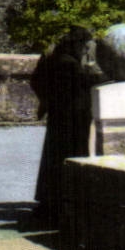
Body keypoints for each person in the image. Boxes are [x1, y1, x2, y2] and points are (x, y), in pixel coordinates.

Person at [29, 25, 106, 228]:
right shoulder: (67, 63)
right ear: (76, 44)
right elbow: (85, 81)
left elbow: (35, 80)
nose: (84, 50)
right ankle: (61, 205)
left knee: (53, 160)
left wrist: (47, 100)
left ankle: (49, 203)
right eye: (83, 45)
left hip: (59, 117)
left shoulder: (52, 58)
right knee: (69, 158)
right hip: (72, 119)